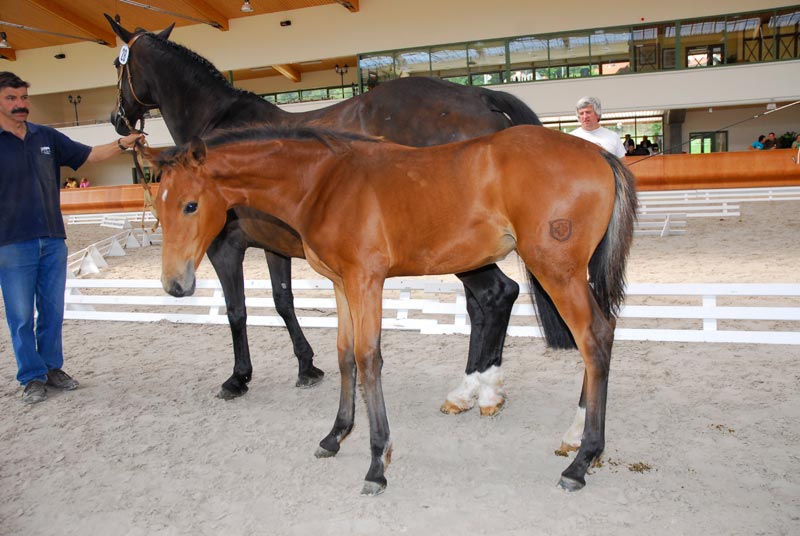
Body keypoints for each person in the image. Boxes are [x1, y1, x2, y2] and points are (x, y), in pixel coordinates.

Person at [0, 71, 144, 404]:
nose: (20, 104)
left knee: (52, 310)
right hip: (11, 243)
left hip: (53, 239)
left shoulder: (46, 136)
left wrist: (123, 143)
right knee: (21, 316)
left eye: (23, 97)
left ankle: (52, 368)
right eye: (11, 98)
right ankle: (31, 376)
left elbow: (90, 155)